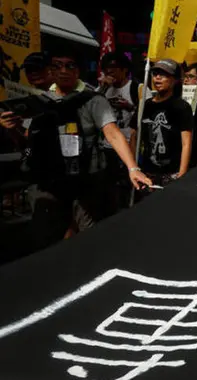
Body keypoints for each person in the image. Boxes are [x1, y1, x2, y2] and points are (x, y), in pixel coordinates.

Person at [1, 48, 151, 248]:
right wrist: (12, 129)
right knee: (46, 239)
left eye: (70, 65)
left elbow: (112, 132)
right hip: (49, 184)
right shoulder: (37, 103)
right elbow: (28, 143)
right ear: (50, 71)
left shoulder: (93, 100)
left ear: (78, 71)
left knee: (90, 239)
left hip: (85, 182)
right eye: (57, 66)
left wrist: (133, 168)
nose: (63, 70)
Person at [129, 59, 192, 189]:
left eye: (163, 74)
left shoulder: (182, 107)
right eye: (155, 73)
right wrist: (134, 167)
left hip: (172, 173)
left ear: (175, 79)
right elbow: (134, 136)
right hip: (147, 173)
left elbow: (186, 143)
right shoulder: (145, 105)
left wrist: (182, 173)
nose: (157, 77)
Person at [98, 52, 139, 210]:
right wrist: (103, 88)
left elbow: (147, 113)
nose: (110, 74)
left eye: (114, 69)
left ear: (124, 70)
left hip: (129, 144)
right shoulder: (103, 90)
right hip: (106, 147)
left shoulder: (136, 88)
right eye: (107, 70)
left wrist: (129, 107)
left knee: (126, 186)